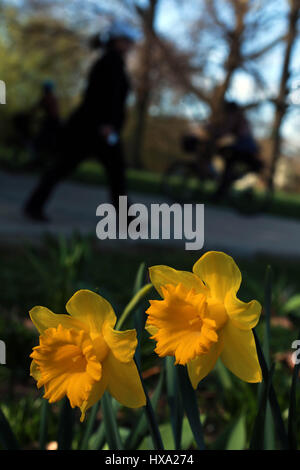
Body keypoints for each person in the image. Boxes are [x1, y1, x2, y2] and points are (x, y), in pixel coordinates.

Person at [24, 22, 139, 221]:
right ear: (116, 41)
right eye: (126, 41)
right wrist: (104, 124)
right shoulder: (108, 63)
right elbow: (99, 97)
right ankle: (34, 205)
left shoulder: (115, 63)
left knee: (114, 173)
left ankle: (127, 218)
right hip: (92, 130)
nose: (130, 45)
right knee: (66, 167)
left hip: (98, 130)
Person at [207, 101, 263, 201]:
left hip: (243, 148)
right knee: (228, 165)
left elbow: (228, 130)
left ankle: (221, 192)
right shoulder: (240, 117)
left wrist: (214, 134)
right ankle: (224, 189)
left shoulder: (235, 117)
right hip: (245, 148)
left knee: (228, 165)